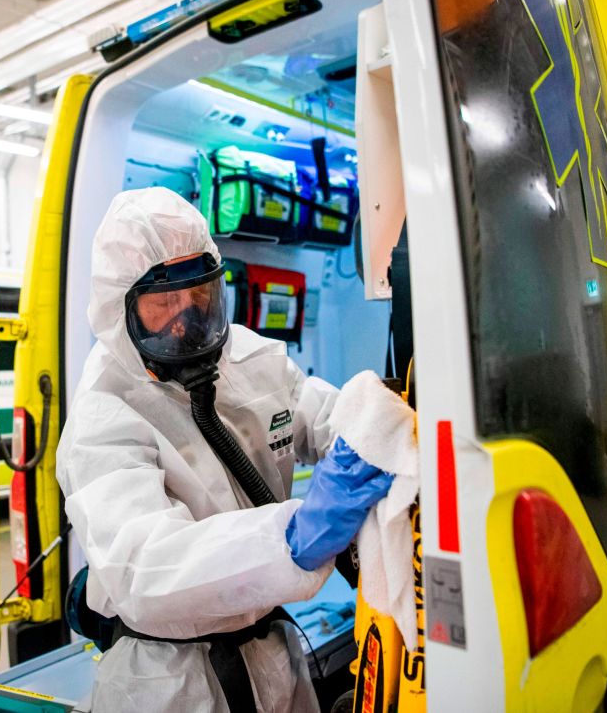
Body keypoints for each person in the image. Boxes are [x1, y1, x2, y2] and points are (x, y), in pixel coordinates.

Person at [56, 187, 415, 712]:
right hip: (171, 683)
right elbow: (144, 566)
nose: (188, 320)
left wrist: (375, 435)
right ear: (121, 312)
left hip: (272, 657)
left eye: (199, 296)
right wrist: (292, 536)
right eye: (164, 304)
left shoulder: (248, 360)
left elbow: (326, 417)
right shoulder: (103, 414)